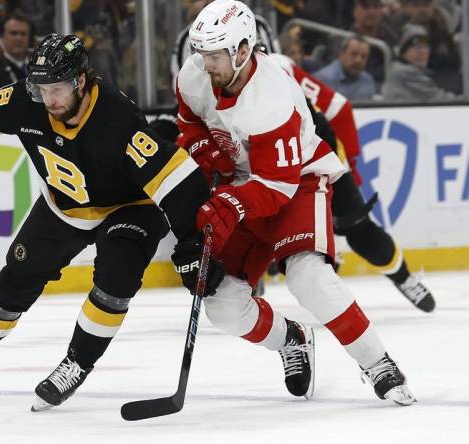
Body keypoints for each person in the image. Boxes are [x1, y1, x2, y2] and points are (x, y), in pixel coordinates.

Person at [0, 33, 223, 411]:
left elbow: (179, 179)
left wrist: (194, 243)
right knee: (17, 277)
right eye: (42, 89)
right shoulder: (29, 101)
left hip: (131, 205)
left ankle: (77, 362)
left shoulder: (117, 119)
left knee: (117, 275)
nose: (49, 99)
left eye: (58, 88)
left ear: (81, 80)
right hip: (65, 205)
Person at [176, 0, 414, 405]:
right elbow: (189, 123)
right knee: (223, 306)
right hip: (244, 183)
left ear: (243, 51)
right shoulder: (194, 74)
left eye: (214, 54)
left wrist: (228, 203)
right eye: (202, 52)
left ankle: (377, 363)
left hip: (296, 182)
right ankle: (292, 340)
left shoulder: (272, 97)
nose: (205, 63)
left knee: (307, 275)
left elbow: (276, 188)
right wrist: (207, 152)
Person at [270, 51, 436, 312]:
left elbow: (338, 107)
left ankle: (403, 277)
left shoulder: (275, 67)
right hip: (268, 163)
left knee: (359, 230)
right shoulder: (207, 82)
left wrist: (352, 165)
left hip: (317, 154)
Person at [381, 24, 456, 101]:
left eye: (425, 47)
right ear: (404, 52)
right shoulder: (404, 72)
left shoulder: (416, 71)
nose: (422, 52)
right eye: (417, 47)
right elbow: (441, 99)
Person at [314, 34, 376, 101]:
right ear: (341, 54)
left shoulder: (368, 81)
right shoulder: (323, 79)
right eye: (354, 54)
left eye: (363, 56)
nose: (358, 61)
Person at [0, 14, 34, 88]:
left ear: (29, 37)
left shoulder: (39, 69)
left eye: (23, 34)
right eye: (13, 33)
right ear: (3, 36)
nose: (19, 38)